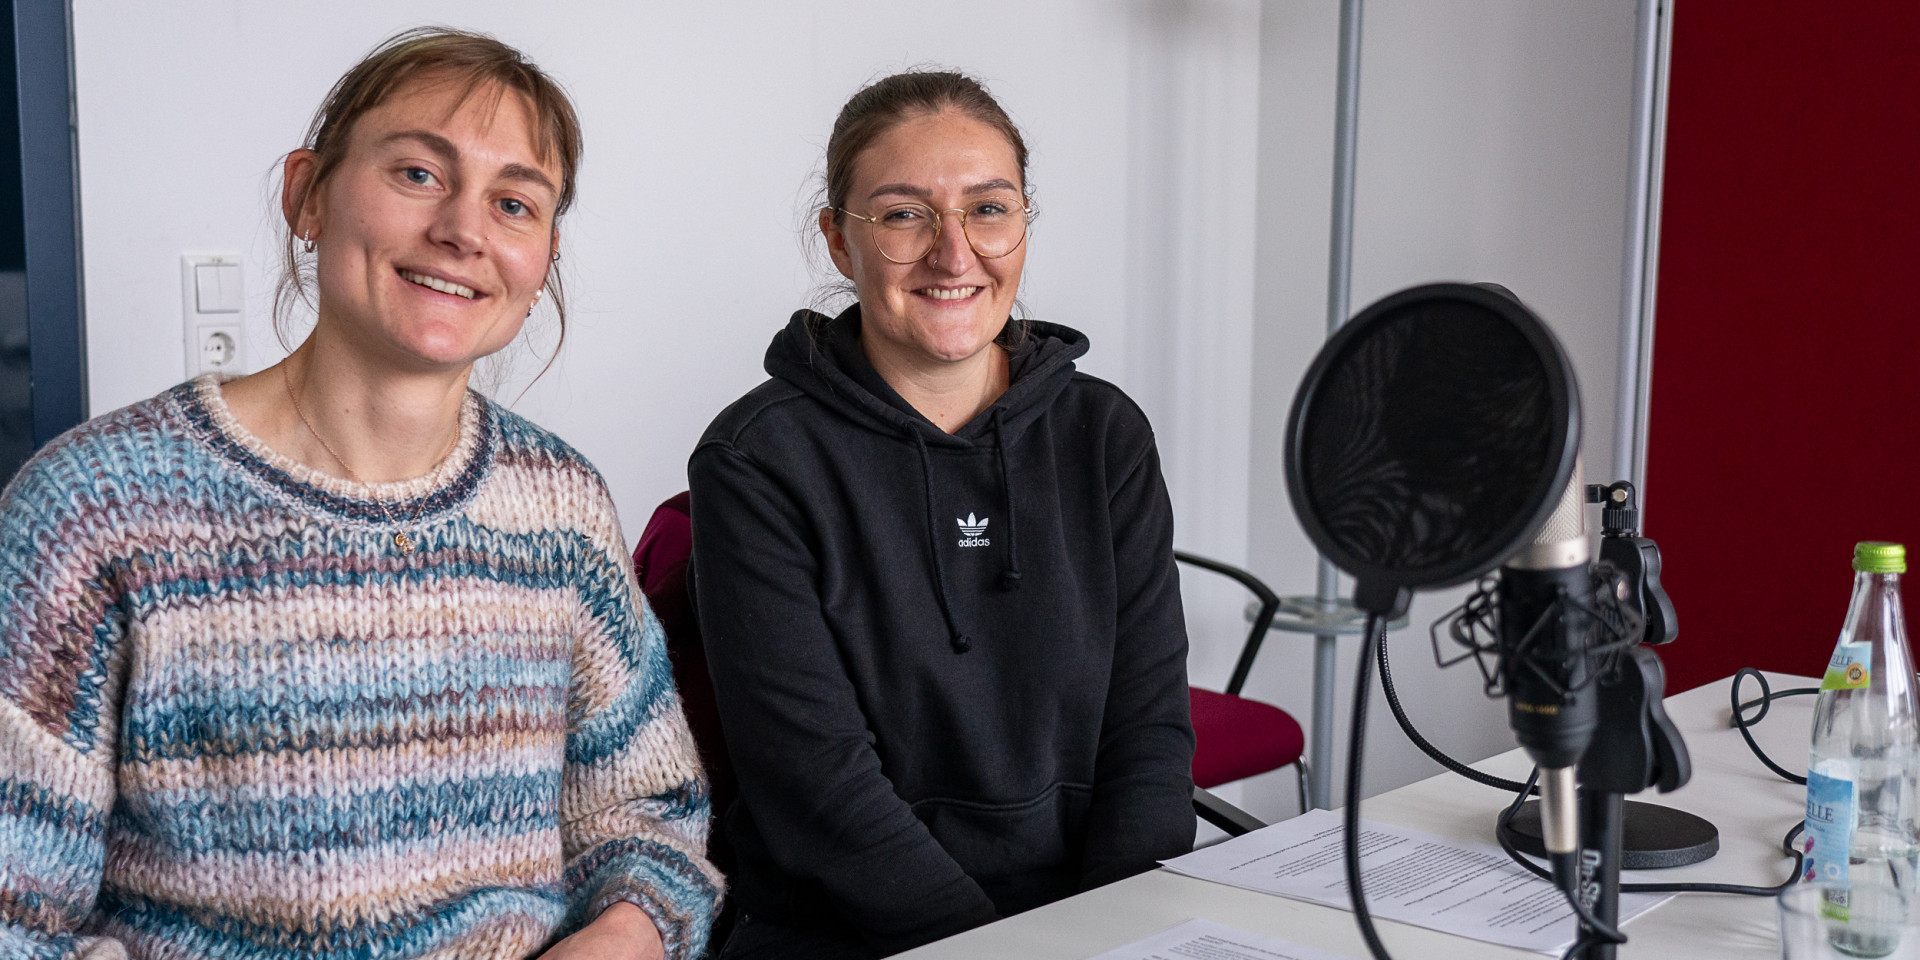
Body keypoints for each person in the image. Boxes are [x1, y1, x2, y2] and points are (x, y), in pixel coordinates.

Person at [0, 28, 718, 960]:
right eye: (419, 173)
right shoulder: (90, 506)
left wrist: (622, 936)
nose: (464, 231)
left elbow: (647, 819)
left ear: (540, 263)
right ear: (307, 195)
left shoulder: (560, 507)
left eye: (513, 203)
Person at [689, 71, 1195, 959]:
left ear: (1023, 225)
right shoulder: (757, 460)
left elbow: (1148, 733)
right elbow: (817, 789)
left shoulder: (1104, 434)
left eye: (988, 210)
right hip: (845, 928)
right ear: (840, 243)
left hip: (1085, 922)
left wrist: (1112, 935)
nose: (954, 255)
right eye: (903, 214)